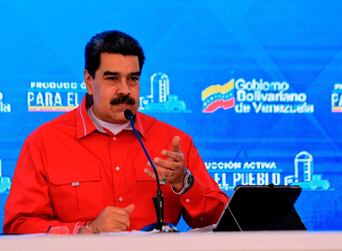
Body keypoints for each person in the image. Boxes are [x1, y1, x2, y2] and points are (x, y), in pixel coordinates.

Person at [3, 30, 228, 234]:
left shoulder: (172, 142)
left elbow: (220, 220)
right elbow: (18, 226)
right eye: (112, 78)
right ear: (89, 81)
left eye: (133, 79)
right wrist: (85, 230)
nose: (124, 90)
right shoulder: (45, 142)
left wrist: (184, 183)